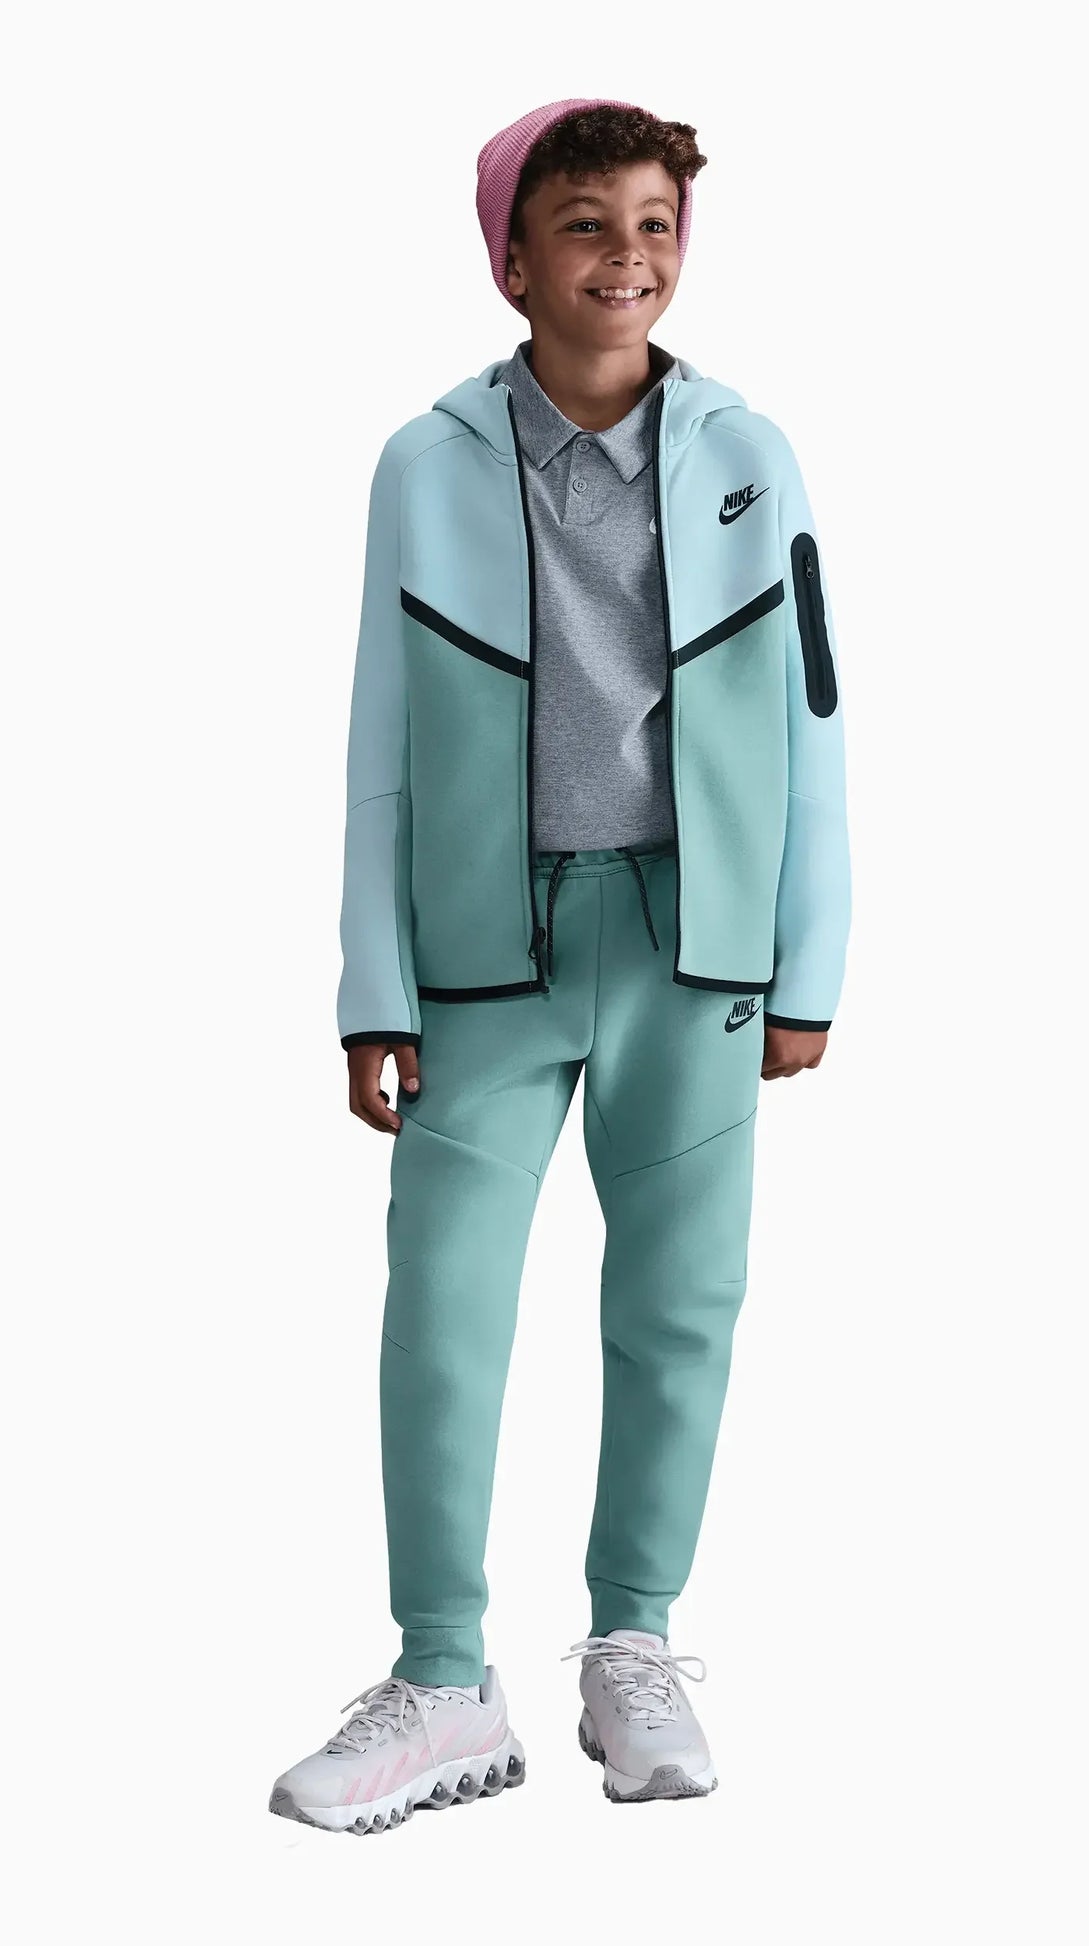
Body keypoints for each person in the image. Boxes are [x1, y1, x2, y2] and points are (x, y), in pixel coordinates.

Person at [269, 98, 850, 1835]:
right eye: (585, 224)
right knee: (443, 1305)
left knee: (679, 1305)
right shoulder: (427, 461)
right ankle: (442, 1674)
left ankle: (632, 1643)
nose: (626, 256)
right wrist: (372, 983)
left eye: (654, 223)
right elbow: (380, 732)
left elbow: (812, 714)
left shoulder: (749, 451)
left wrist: (808, 956)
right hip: (482, 949)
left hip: (694, 945)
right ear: (511, 259)